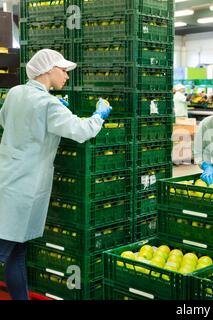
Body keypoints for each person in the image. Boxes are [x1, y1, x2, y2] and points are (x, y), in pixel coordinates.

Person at [0, 49, 112, 300]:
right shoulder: (48, 104)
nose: (67, 77)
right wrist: (98, 115)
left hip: (7, 178)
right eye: (63, 70)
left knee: (17, 252)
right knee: (5, 249)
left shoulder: (16, 93)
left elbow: (6, 121)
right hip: (24, 186)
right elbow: (82, 130)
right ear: (48, 70)